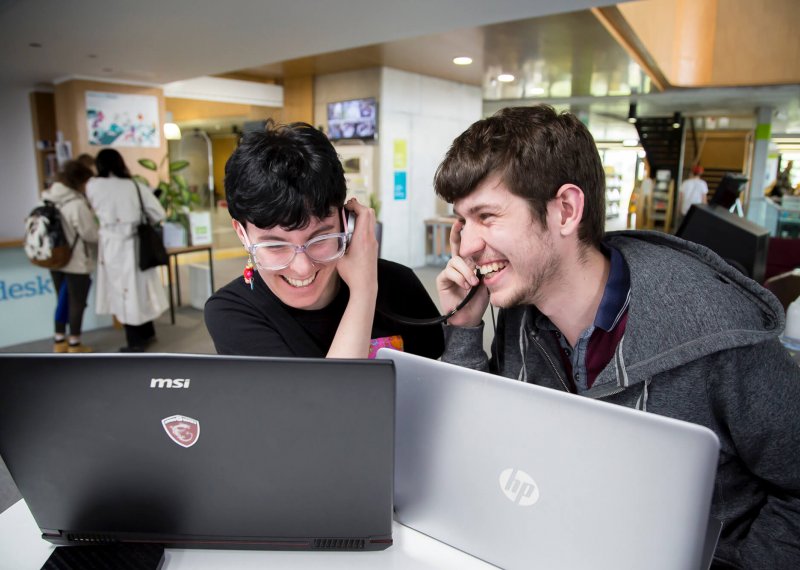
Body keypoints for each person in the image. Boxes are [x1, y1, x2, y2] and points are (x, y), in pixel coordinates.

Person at [434, 105, 800, 569]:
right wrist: (465, 326)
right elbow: (483, 453)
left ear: (565, 210)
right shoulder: (518, 313)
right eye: (462, 221)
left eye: (487, 216)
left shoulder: (717, 332)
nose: (465, 245)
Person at [205, 121, 444, 359]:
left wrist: (466, 324)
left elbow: (443, 383)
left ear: (347, 222)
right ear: (242, 234)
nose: (302, 267)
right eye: (276, 245)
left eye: (320, 238)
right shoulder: (232, 312)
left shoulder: (400, 285)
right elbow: (330, 398)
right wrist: (364, 291)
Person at [86, 148, 169, 352]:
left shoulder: (93, 185)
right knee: (138, 290)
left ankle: (135, 342)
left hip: (111, 246)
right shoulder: (135, 186)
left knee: (121, 293)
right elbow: (158, 212)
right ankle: (147, 333)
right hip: (135, 244)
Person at [43, 160, 98, 353]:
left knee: (62, 300)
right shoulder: (76, 204)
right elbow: (90, 234)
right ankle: (74, 342)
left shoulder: (46, 198)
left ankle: (59, 340)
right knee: (77, 302)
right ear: (80, 181)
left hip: (54, 259)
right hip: (76, 262)